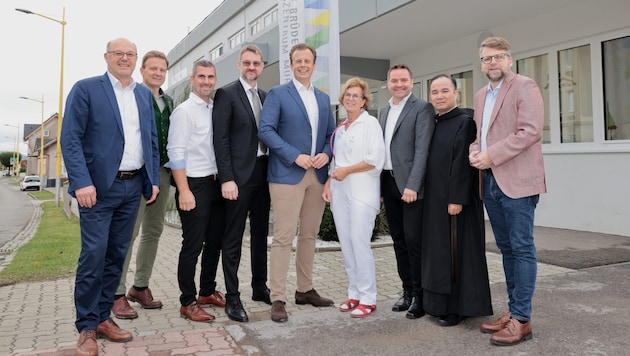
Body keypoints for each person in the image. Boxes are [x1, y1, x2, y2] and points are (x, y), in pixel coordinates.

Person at [61, 38, 160, 356]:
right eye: (118, 53)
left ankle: (103, 318)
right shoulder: (86, 88)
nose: (125, 58)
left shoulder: (143, 95)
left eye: (130, 54)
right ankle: (87, 328)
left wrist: (153, 179)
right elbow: (71, 138)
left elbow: (151, 140)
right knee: (93, 256)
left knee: (116, 257)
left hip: (133, 188)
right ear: (106, 57)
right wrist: (81, 182)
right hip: (97, 189)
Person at [469, 36, 546, 346]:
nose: (493, 62)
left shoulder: (524, 86)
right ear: (481, 63)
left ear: (510, 60)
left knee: (522, 247)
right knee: (507, 249)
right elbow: (480, 135)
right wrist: (475, 152)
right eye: (487, 58)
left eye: (499, 57)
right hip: (490, 180)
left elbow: (530, 131)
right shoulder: (480, 95)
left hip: (517, 181)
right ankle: (514, 311)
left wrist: (492, 154)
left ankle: (522, 320)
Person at [258, 42, 337, 323]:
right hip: (287, 175)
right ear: (290, 65)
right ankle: (277, 297)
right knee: (283, 237)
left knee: (309, 235)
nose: (303, 65)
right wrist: (295, 156)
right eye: (298, 61)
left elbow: (331, 134)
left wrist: (326, 155)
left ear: (314, 65)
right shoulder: (279, 94)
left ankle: (304, 289)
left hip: (316, 175)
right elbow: (265, 130)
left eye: (308, 61)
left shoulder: (323, 98)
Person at [421, 74, 493, 327]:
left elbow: (463, 164)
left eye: (444, 91)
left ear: (456, 93)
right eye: (434, 92)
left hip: (456, 201)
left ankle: (458, 308)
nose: (439, 96)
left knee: (456, 253)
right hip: (434, 200)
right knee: (440, 253)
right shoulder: (434, 121)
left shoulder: (465, 122)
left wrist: (456, 199)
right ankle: (437, 304)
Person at [112, 50, 174, 319]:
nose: (158, 73)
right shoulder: (133, 96)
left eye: (162, 69)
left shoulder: (168, 100)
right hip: (139, 171)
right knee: (129, 231)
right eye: (153, 69)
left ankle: (140, 286)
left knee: (154, 229)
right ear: (142, 71)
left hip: (163, 171)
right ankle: (116, 292)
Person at [212, 44, 271, 323]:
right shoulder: (226, 94)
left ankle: (260, 287)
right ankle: (233, 297)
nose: (251, 67)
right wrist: (227, 178)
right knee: (233, 237)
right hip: (238, 177)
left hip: (263, 172)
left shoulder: (264, 96)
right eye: (246, 63)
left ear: (262, 66)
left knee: (260, 235)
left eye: (256, 63)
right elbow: (220, 139)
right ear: (239, 65)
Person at [166, 60, 226, 323]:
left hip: (217, 183)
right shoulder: (184, 111)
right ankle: (187, 301)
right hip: (194, 184)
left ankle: (207, 291)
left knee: (215, 242)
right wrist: (183, 191)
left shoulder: (215, 108)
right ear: (192, 79)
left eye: (211, 77)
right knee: (192, 245)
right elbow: (175, 152)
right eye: (201, 76)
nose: (206, 81)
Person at [322, 77, 385, 318]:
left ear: (364, 101)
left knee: (360, 244)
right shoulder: (341, 127)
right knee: (347, 245)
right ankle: (354, 294)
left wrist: (347, 171)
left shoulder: (370, 125)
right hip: (340, 193)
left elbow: (374, 160)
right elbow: (336, 161)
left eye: (355, 96)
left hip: (362, 194)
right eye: (347, 95)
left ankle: (369, 298)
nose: (350, 99)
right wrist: (328, 183)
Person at [378, 64, 434, 319]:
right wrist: (379, 187)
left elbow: (423, 150)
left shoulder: (422, 108)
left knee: (414, 242)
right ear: (388, 83)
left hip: (410, 187)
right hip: (388, 183)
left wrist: (413, 185)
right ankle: (407, 291)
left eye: (403, 80)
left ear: (412, 82)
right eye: (394, 80)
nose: (398, 84)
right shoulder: (384, 110)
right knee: (398, 241)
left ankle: (421, 296)